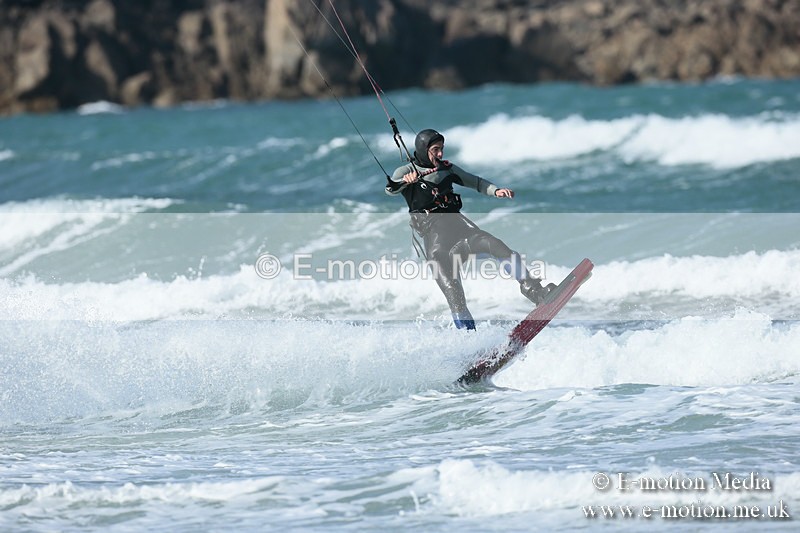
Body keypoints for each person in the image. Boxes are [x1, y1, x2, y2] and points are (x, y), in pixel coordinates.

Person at [385, 128, 554, 330]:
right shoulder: (405, 172)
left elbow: (475, 181)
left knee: (498, 247)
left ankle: (535, 291)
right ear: (423, 149)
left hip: (461, 233)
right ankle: (468, 340)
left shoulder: (447, 169)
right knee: (454, 295)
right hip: (438, 248)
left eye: (442, 149)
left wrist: (496, 191)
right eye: (435, 149)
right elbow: (391, 189)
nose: (440, 154)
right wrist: (406, 181)